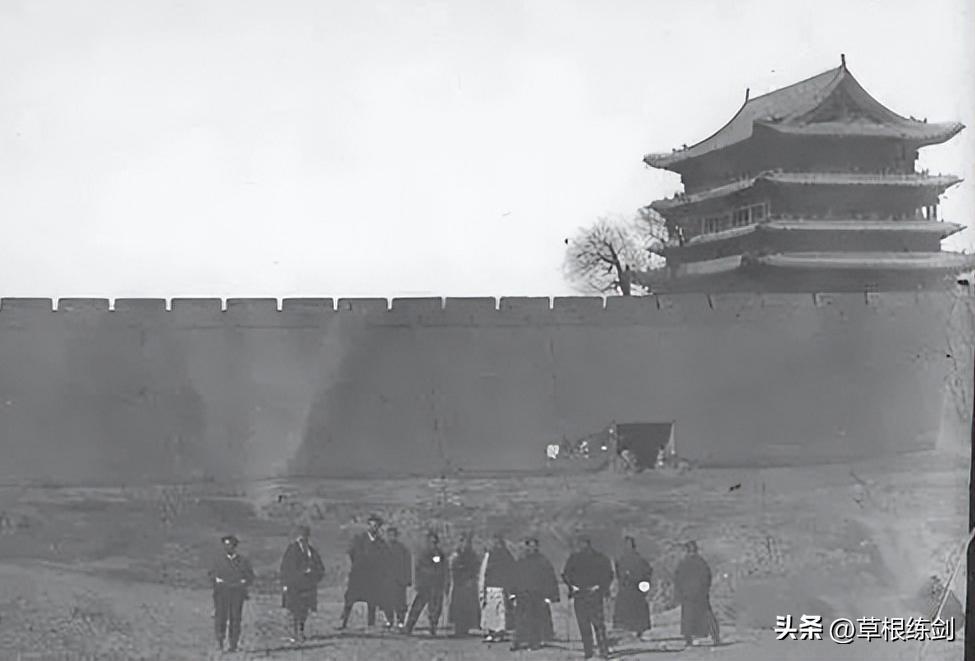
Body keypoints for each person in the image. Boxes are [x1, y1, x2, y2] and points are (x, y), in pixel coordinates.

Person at [563, 534, 614, 659]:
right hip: (588, 594)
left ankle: (594, 651)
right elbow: (609, 575)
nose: (581, 546)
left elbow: (565, 575)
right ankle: (597, 651)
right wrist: (602, 588)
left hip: (587, 594)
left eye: (582, 543)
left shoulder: (578, 558)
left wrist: (572, 587)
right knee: (592, 624)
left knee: (590, 624)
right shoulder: (597, 558)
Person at [340, 514, 389, 629]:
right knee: (350, 599)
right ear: (368, 526)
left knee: (372, 600)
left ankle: (371, 624)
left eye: (376, 526)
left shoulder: (381, 543)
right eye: (371, 525)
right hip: (358, 575)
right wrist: (355, 566)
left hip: (373, 576)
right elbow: (350, 553)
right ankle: (343, 622)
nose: (373, 528)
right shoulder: (359, 539)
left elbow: (384, 559)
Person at [510, 537, 560, 652]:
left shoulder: (543, 561)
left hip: (537, 596)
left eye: (533, 546)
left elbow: (550, 579)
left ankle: (534, 642)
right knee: (519, 619)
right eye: (529, 546)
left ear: (537, 547)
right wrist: (512, 593)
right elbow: (515, 577)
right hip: (522, 594)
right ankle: (518, 641)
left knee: (535, 620)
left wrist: (550, 596)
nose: (531, 548)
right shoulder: (521, 561)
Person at [208, 534, 255, 653]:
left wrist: (244, 581)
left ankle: (233, 644)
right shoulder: (219, 561)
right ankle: (220, 642)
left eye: (230, 545)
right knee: (221, 618)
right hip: (222, 593)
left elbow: (250, 576)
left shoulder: (242, 561)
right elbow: (211, 574)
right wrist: (216, 579)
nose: (227, 547)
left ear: (234, 546)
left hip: (236, 593)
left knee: (235, 619)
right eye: (225, 545)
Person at [279, 524, 326, 642]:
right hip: (294, 586)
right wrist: (285, 584)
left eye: (305, 536)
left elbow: (320, 567)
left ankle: (300, 631)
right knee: (294, 610)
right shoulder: (291, 550)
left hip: (307, 586)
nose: (302, 539)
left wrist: (314, 574)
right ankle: (293, 633)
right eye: (300, 536)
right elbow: (285, 568)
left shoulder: (312, 551)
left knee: (304, 611)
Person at [674, 541, 720, 647]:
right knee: (707, 615)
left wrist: (680, 593)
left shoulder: (683, 563)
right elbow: (707, 578)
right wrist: (704, 590)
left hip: (688, 595)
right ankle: (715, 636)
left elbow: (678, 580)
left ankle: (688, 639)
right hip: (700, 594)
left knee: (688, 617)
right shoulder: (701, 562)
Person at [404, 531, 450, 636]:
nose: (432, 545)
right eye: (430, 542)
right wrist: (418, 583)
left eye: (434, 542)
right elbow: (418, 569)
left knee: (435, 608)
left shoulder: (439, 554)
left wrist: (444, 584)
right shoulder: (423, 554)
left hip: (436, 585)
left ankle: (433, 627)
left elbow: (442, 569)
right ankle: (409, 627)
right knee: (417, 607)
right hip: (425, 586)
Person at [478, 532, 516, 643]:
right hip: (490, 587)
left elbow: (511, 571)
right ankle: (491, 632)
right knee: (490, 611)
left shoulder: (505, 555)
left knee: (500, 611)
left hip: (501, 588)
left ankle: (499, 632)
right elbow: (484, 572)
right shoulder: (489, 555)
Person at [613, 536, 653, 637]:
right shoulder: (621, 560)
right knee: (625, 610)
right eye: (626, 545)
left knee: (638, 610)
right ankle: (625, 629)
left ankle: (639, 630)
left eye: (629, 544)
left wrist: (644, 585)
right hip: (626, 589)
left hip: (636, 589)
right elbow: (618, 574)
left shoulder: (640, 560)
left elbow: (647, 572)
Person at [448, 532, 481, 637]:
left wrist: (470, 578)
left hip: (468, 585)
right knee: (458, 608)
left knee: (467, 607)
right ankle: (459, 628)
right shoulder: (456, 555)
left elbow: (475, 568)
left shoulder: (471, 555)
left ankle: (466, 627)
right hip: (459, 584)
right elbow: (453, 568)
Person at [384, 526, 412, 629]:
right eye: (389, 535)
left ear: (396, 536)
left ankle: (401, 620)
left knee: (400, 602)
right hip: (387, 580)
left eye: (393, 535)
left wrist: (408, 579)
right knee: (387, 601)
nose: (391, 537)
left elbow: (407, 565)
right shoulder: (383, 549)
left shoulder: (402, 549)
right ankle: (389, 620)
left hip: (399, 580)